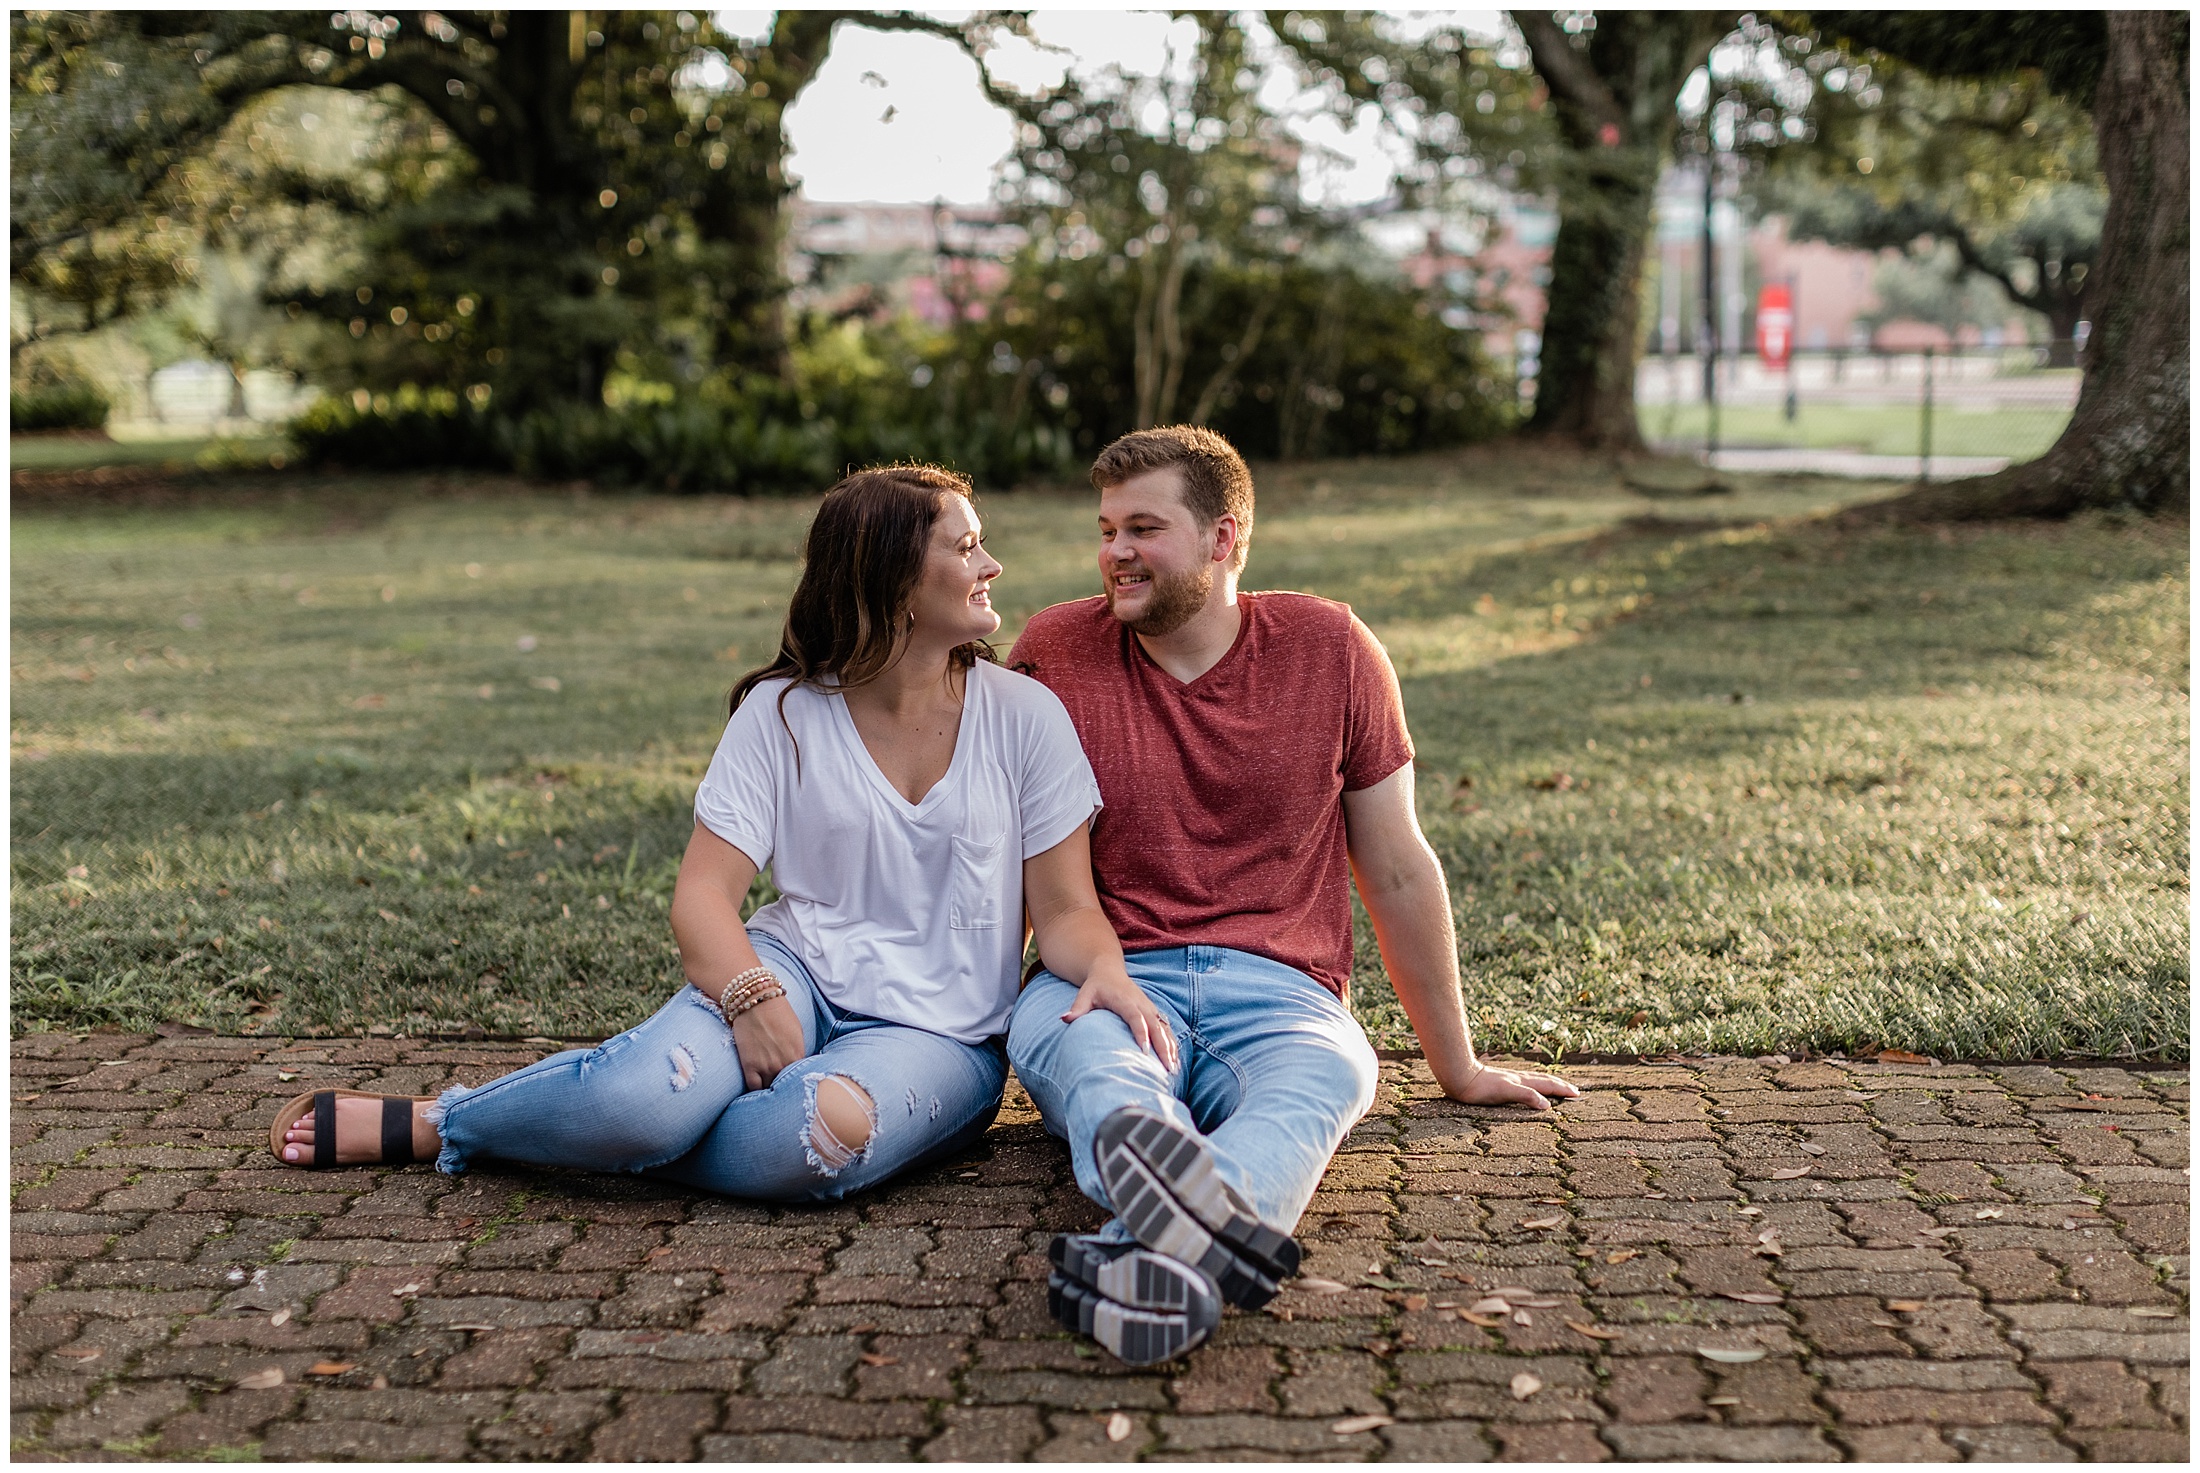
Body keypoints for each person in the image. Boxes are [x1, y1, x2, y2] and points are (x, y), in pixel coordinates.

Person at [269, 466, 1196, 1267]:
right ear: (895, 580)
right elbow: (703, 897)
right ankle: (453, 1120)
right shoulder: (785, 713)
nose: (992, 566)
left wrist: (1105, 968)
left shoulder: (1025, 719)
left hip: (941, 1035)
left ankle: (551, 1130)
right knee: (640, 1094)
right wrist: (752, 994)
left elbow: (1066, 909)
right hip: (790, 971)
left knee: (816, 1134)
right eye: (968, 546)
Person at [1010, 426, 1578, 1364]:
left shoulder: (1332, 648)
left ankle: (1149, 1248)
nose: (1115, 553)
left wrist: (1458, 1067)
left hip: (1279, 990)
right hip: (1099, 975)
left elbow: (1393, 864)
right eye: (1107, 529)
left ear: (1225, 537)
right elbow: (996, 845)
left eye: (1143, 528)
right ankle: (1179, 1226)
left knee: (1328, 1075)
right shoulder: (1053, 650)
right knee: (1109, 1081)